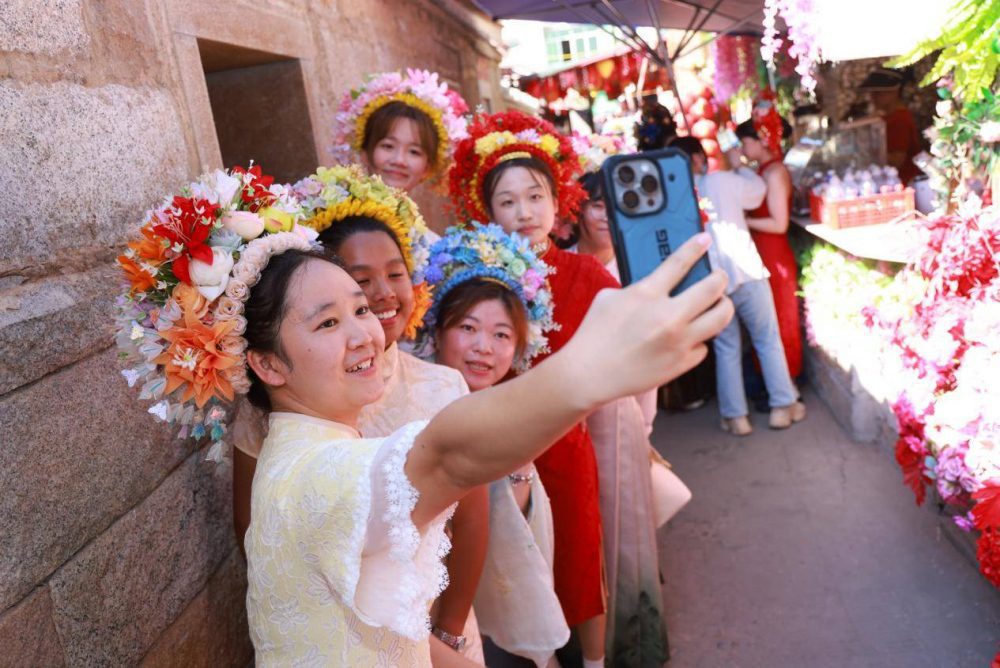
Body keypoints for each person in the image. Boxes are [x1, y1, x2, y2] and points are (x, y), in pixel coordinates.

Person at [233, 165, 488, 665]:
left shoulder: (321, 438)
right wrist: (587, 376)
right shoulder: (316, 470)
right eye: (328, 321)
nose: (364, 334)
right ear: (266, 364)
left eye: (360, 310)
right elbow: (447, 461)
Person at [450, 110, 616, 668]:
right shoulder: (478, 275)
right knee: (513, 564)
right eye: (507, 200)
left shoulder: (585, 274)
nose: (524, 212)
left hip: (564, 440)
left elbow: (621, 343)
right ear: (486, 209)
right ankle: (536, 657)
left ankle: (593, 661)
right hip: (496, 441)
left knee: (577, 551)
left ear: (557, 201)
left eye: (535, 196)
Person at [423, 223, 570, 667]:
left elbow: (522, 530)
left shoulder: (513, 409)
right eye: (468, 327)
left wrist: (520, 458)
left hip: (496, 600)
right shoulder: (416, 404)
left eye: (502, 335)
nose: (483, 348)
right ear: (439, 331)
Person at [568, 134, 672, 664]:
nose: (605, 216)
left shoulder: (638, 267)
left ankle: (627, 639)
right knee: (581, 536)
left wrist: (643, 427)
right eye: (595, 205)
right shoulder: (560, 266)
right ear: (580, 209)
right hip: (567, 419)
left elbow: (648, 365)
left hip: (621, 414)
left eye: (615, 205)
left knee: (623, 529)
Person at [672, 136, 806, 433]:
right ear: (697, 158)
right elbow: (758, 193)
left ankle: (736, 417)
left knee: (726, 347)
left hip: (711, 281)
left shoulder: (674, 196)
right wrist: (739, 167)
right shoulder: (721, 181)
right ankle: (782, 405)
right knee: (767, 339)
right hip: (746, 271)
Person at [735, 100, 804, 384]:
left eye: (745, 142)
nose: (742, 149)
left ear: (761, 140)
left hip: (773, 253)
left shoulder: (775, 173)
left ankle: (787, 383)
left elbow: (779, 223)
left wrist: (741, 221)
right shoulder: (762, 171)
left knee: (780, 320)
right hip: (761, 252)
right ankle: (773, 382)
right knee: (766, 322)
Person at [330, 68, 469, 197]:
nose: (399, 160)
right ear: (364, 152)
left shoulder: (411, 222)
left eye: (414, 152)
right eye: (388, 146)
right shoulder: (337, 216)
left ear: (428, 167)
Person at [858, 67, 922, 186]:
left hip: (903, 183)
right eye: (872, 93)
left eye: (878, 93)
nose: (873, 97)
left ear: (894, 92)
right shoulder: (885, 118)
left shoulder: (900, 120)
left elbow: (897, 160)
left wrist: (864, 153)